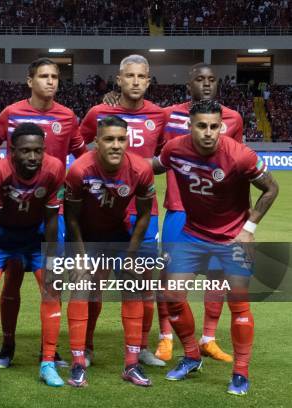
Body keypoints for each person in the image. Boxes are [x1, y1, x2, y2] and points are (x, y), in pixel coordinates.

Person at [154, 100, 279, 395]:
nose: (208, 132)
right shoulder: (175, 149)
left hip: (232, 238)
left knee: (239, 306)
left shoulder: (240, 156)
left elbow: (271, 188)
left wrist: (249, 229)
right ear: (190, 126)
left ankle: (240, 373)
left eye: (214, 126)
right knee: (171, 294)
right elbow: (154, 166)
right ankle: (191, 356)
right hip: (193, 235)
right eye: (201, 126)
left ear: (221, 126)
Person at [0, 58, 86, 367]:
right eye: (44, 76)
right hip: (13, 211)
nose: (51, 81)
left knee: (51, 283)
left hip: (50, 212)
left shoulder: (67, 116)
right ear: (30, 80)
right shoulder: (12, 112)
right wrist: (1, 173)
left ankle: (50, 351)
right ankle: (8, 345)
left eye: (55, 76)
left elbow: (82, 155)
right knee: (10, 283)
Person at [78, 54, 166, 367]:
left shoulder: (159, 115)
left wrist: (140, 168)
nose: (135, 82)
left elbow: (167, 156)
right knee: (93, 282)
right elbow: (79, 148)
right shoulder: (99, 112)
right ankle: (86, 347)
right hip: (101, 210)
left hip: (144, 210)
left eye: (141, 77)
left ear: (149, 79)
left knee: (142, 283)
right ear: (119, 79)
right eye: (129, 76)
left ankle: (141, 346)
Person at [156, 63, 244, 362]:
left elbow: (237, 164)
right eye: (199, 79)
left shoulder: (233, 118)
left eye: (211, 79)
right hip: (179, 208)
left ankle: (208, 338)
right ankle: (166, 337)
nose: (206, 84)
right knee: (169, 277)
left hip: (216, 215)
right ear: (188, 84)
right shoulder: (167, 115)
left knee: (216, 276)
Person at [65, 115, 157, 387]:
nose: (116, 145)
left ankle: (131, 364)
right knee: (83, 289)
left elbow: (143, 216)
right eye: (109, 139)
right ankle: (78, 362)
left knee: (133, 288)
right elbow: (70, 218)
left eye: (121, 139)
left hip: (118, 235)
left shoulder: (140, 169)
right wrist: (80, 256)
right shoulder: (79, 170)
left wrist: (130, 254)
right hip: (86, 237)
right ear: (96, 142)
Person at [0, 123, 66, 387]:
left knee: (52, 289)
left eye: (38, 151)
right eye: (26, 151)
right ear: (11, 151)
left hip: (36, 234)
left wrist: (51, 261)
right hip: (2, 236)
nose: (32, 157)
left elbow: (51, 219)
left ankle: (47, 363)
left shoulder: (55, 169)